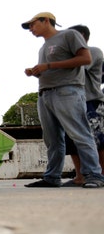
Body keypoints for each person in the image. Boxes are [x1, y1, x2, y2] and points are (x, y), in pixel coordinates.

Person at [21, 12, 104, 188]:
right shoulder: (43, 47)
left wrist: (48, 66)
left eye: (33, 24)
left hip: (68, 91)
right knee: (52, 139)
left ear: (46, 21)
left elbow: (85, 58)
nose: (31, 29)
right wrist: (37, 72)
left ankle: (94, 175)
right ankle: (52, 176)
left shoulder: (69, 35)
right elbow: (53, 71)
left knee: (80, 133)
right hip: (45, 93)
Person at [63, 25, 104, 187]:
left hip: (91, 101)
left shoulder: (92, 51)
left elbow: (76, 68)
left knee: (98, 140)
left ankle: (100, 175)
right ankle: (80, 176)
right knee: (72, 141)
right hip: (72, 102)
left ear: (80, 36)